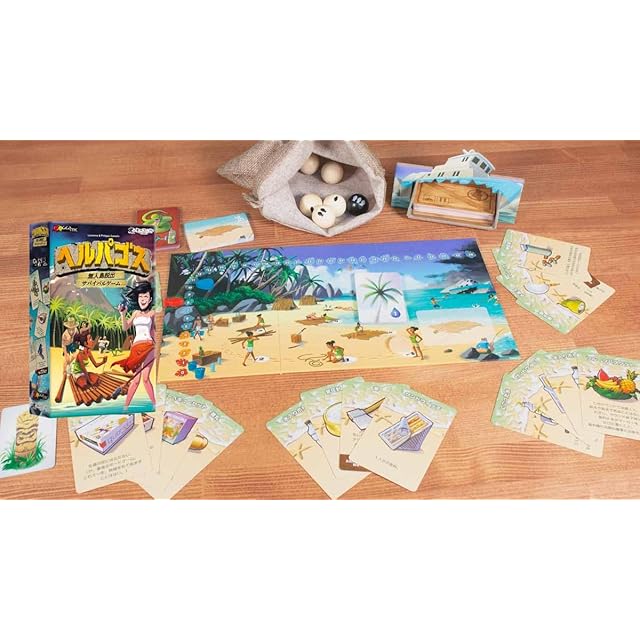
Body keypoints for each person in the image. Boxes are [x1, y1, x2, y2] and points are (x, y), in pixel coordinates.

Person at [111, 280, 156, 408]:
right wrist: (122, 314)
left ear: (150, 299)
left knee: (145, 378)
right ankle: (126, 407)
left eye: (145, 296)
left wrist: (157, 348)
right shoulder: (135, 313)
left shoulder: (153, 314)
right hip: (135, 348)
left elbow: (154, 332)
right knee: (135, 380)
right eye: (141, 296)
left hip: (148, 346)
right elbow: (125, 327)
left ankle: (155, 404)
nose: (143, 299)